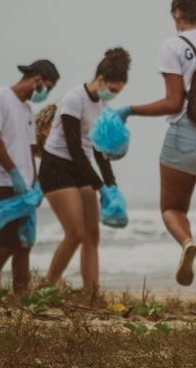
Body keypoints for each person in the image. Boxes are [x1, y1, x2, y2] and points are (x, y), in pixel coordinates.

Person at [116, 0, 196, 305]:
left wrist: (131, 110)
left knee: (172, 207)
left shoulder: (172, 46)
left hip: (185, 136)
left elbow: (173, 103)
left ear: (176, 13)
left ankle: (186, 242)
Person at [39, 48, 130, 292]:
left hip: (81, 169)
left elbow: (100, 150)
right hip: (56, 168)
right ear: (100, 79)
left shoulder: (101, 106)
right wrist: (99, 186)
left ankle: (91, 292)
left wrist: (111, 185)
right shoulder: (73, 99)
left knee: (92, 234)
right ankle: (46, 288)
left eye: (118, 92)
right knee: (75, 233)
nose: (112, 95)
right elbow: (74, 148)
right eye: (112, 90)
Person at [0, 59, 60, 294]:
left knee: (24, 243)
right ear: (37, 79)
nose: (46, 93)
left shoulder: (27, 110)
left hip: (24, 188)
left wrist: (36, 183)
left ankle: (22, 295)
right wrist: (13, 172)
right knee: (7, 243)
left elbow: (30, 150)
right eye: (48, 87)